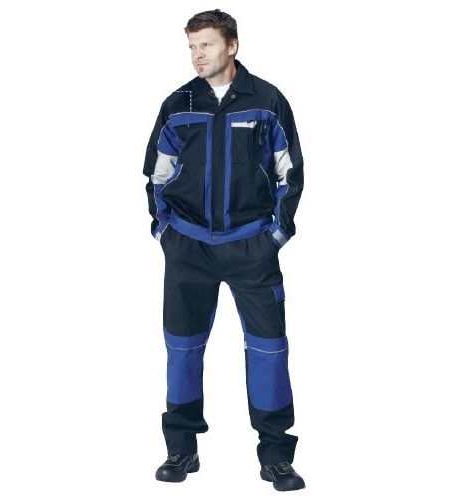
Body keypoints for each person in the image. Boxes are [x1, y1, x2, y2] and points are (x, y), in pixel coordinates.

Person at [143, 9, 305, 492]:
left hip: (250, 247)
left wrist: (275, 236)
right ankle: (181, 448)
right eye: (193, 46)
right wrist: (165, 232)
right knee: (182, 349)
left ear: (232, 45)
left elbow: (290, 173)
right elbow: (157, 176)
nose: (198, 55)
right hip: (189, 248)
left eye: (207, 45)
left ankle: (275, 456)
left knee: (269, 350)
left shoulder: (267, 101)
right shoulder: (178, 104)